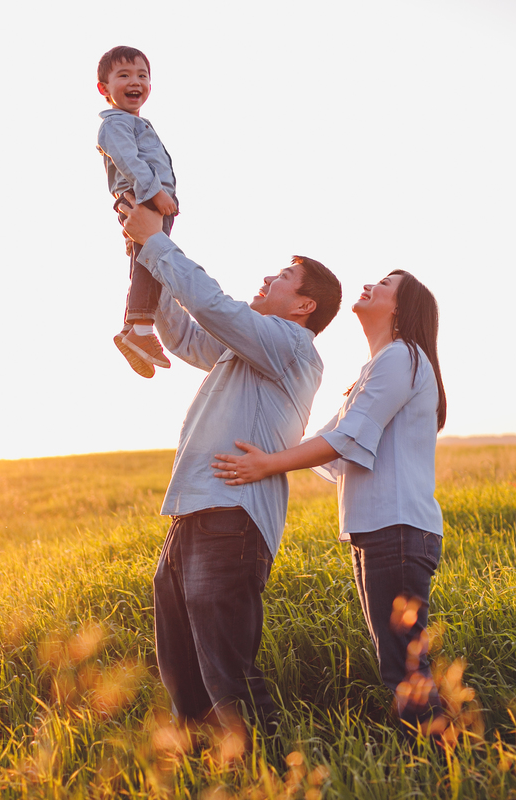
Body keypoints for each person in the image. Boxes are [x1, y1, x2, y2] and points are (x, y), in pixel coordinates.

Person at [118, 196, 342, 748]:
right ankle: (209, 773)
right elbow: (180, 330)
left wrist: (159, 242)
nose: (269, 276)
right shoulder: (243, 349)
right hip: (193, 515)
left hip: (232, 520)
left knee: (227, 676)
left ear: (304, 306)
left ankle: (275, 773)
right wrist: (141, 247)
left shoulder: (291, 347)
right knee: (184, 674)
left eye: (285, 276)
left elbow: (213, 307)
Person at [210, 269, 448, 736]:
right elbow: (327, 438)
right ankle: (435, 759)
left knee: (403, 670)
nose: (370, 285)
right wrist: (268, 431)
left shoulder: (401, 357)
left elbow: (344, 439)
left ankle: (444, 766)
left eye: (384, 285)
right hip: (380, 534)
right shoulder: (381, 366)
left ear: (400, 309)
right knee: (399, 664)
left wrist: (268, 464)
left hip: (397, 533)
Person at [96, 45, 178, 378]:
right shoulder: (115, 124)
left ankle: (134, 328)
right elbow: (129, 162)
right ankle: (141, 329)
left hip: (149, 200)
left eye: (142, 76)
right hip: (144, 198)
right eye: (124, 75)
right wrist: (155, 193)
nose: (135, 82)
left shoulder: (136, 123)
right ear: (104, 88)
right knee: (152, 262)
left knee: (148, 263)